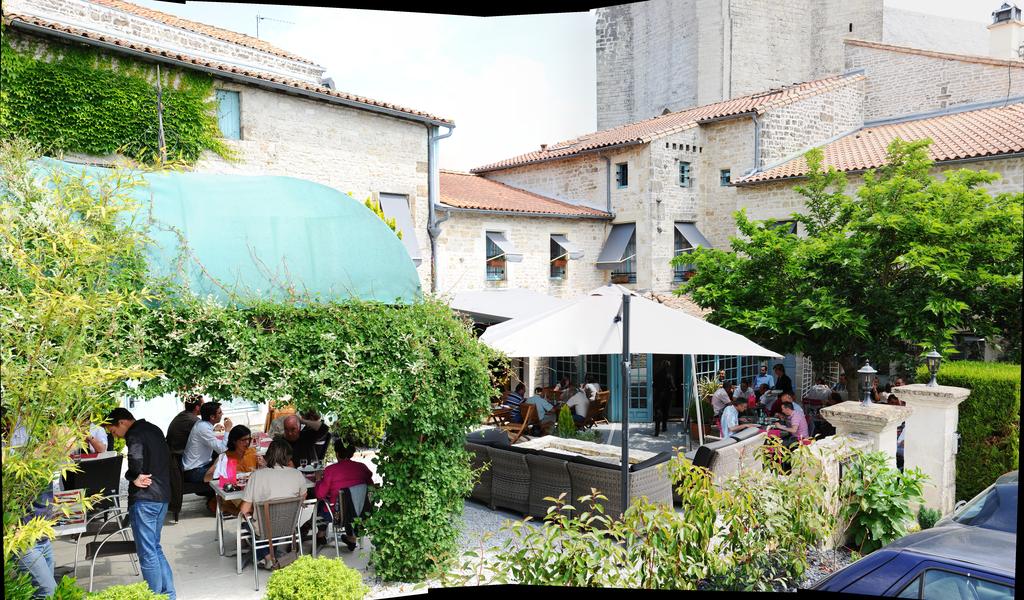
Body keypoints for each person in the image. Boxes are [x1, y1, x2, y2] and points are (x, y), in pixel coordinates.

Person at [104, 407, 175, 599]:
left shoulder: (134, 434)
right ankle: (168, 595)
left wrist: (132, 476)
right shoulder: (154, 428)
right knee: (155, 547)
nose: (116, 436)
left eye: (113, 431)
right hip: (162, 496)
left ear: (122, 422)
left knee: (147, 553)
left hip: (145, 500)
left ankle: (155, 596)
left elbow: (135, 459)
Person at [238, 439, 308, 571]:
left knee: (248, 522)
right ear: (288, 457)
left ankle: (267, 557)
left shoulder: (257, 476)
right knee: (269, 523)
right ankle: (269, 555)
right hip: (289, 526)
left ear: (268, 455)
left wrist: (253, 511)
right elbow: (302, 500)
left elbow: (244, 510)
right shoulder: (297, 475)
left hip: (266, 529)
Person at [314, 436, 374, 551]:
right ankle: (351, 537)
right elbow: (370, 487)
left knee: (322, 503)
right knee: (350, 500)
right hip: (360, 511)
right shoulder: (362, 467)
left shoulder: (330, 470)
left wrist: (318, 480)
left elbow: (320, 494)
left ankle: (321, 534)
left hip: (338, 515)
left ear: (337, 453)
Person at [204, 425, 262, 516]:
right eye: (243, 440)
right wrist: (218, 469)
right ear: (234, 441)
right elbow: (206, 478)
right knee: (250, 509)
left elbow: (261, 473)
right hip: (234, 493)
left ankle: (248, 523)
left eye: (249, 439)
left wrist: (263, 465)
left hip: (250, 491)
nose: (247, 442)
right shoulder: (226, 457)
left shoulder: (252, 452)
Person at [182, 402, 229, 485]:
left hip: (201, 466)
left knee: (226, 463)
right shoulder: (203, 428)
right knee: (228, 470)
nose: (222, 414)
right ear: (212, 417)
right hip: (194, 471)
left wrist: (215, 430)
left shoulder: (202, 424)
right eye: (219, 412)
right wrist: (227, 429)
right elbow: (222, 449)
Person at [652, 359, 676, 437]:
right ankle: (664, 427)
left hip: (658, 396)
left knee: (657, 413)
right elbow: (672, 386)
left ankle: (657, 430)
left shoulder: (656, 374)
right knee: (665, 412)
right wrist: (674, 389)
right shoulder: (669, 376)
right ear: (668, 367)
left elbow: (653, 385)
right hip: (666, 397)